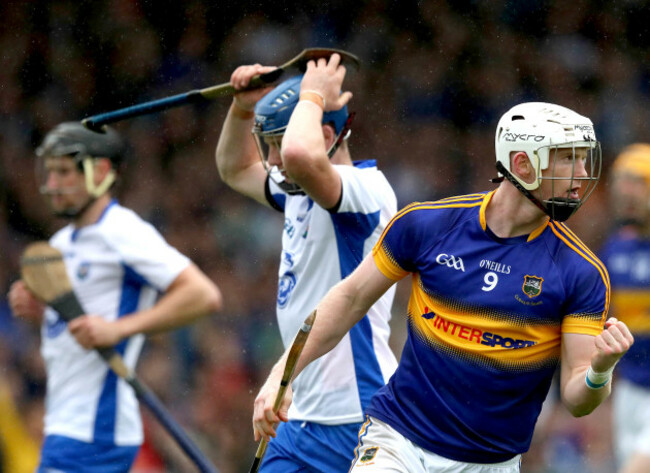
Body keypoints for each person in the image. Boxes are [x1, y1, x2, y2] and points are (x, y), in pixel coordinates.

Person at [253, 102, 635, 472]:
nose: (583, 173)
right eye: (568, 159)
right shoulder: (427, 225)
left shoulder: (581, 272)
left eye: (584, 159)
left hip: (490, 464)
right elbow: (349, 299)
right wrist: (281, 375)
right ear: (523, 164)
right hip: (398, 439)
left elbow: (577, 399)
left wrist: (600, 370)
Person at [215, 53, 398, 472]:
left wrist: (311, 94)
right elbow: (234, 168)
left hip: (356, 416)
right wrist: (242, 109)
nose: (273, 160)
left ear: (327, 133)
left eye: (277, 143)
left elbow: (299, 155)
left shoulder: (364, 190)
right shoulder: (297, 191)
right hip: (298, 415)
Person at [8, 122, 223, 473]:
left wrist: (119, 329)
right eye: (50, 172)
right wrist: (42, 312)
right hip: (64, 423)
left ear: (100, 171)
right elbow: (79, 324)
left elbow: (202, 294)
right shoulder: (61, 242)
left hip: (96, 429)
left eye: (63, 172)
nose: (52, 184)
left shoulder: (122, 230)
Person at [599, 143, 650, 473]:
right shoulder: (615, 249)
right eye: (620, 181)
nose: (625, 192)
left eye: (638, 182)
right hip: (630, 388)